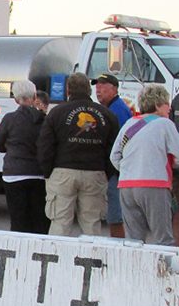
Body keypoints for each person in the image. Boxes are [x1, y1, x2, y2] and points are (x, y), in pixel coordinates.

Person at [37, 72, 119, 236]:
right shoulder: (107, 114)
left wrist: (48, 172)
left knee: (60, 222)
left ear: (68, 90)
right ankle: (91, 259)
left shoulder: (57, 113)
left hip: (63, 171)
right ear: (89, 90)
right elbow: (114, 149)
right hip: (95, 172)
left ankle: (57, 258)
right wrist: (106, 172)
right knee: (91, 224)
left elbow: (45, 146)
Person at [109, 84, 179, 245]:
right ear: (157, 105)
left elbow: (114, 157)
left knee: (134, 239)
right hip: (154, 184)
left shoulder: (129, 124)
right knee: (163, 239)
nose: (169, 107)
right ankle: (162, 270)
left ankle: (133, 269)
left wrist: (129, 169)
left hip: (126, 185)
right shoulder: (165, 124)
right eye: (166, 103)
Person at [0, 80, 50, 234]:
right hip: (38, 173)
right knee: (39, 218)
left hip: (14, 174)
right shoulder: (44, 120)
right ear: (34, 96)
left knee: (18, 219)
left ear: (16, 99)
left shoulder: (9, 119)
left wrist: (11, 148)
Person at [93, 73, 133, 238]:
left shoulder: (118, 110)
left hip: (117, 171)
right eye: (97, 86)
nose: (98, 90)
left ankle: (119, 246)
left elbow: (123, 143)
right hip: (115, 170)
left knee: (116, 216)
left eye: (103, 86)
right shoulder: (112, 108)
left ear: (114, 89)